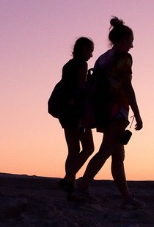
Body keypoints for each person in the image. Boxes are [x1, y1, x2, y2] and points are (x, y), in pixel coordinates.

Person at [70, 17, 143, 206]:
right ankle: (81, 187)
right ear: (123, 39)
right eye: (130, 41)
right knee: (106, 150)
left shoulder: (102, 58)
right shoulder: (124, 58)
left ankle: (127, 197)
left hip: (101, 111)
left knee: (118, 155)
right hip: (117, 110)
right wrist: (137, 112)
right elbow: (127, 87)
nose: (132, 45)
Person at [56, 37, 95, 191]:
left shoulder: (67, 66)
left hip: (65, 111)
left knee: (73, 150)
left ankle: (70, 183)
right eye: (90, 51)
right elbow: (81, 90)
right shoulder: (82, 65)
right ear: (84, 49)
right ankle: (69, 177)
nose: (91, 55)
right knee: (89, 148)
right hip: (77, 113)